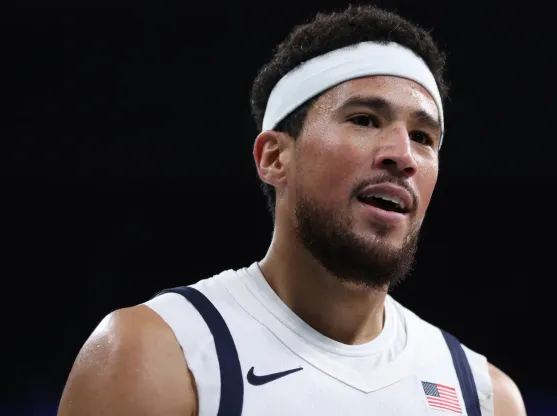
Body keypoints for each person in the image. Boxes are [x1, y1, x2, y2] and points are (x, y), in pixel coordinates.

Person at [58, 5, 526, 416]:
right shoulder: (157, 355)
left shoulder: (483, 397)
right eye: (365, 119)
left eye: (423, 137)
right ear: (274, 158)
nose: (402, 155)